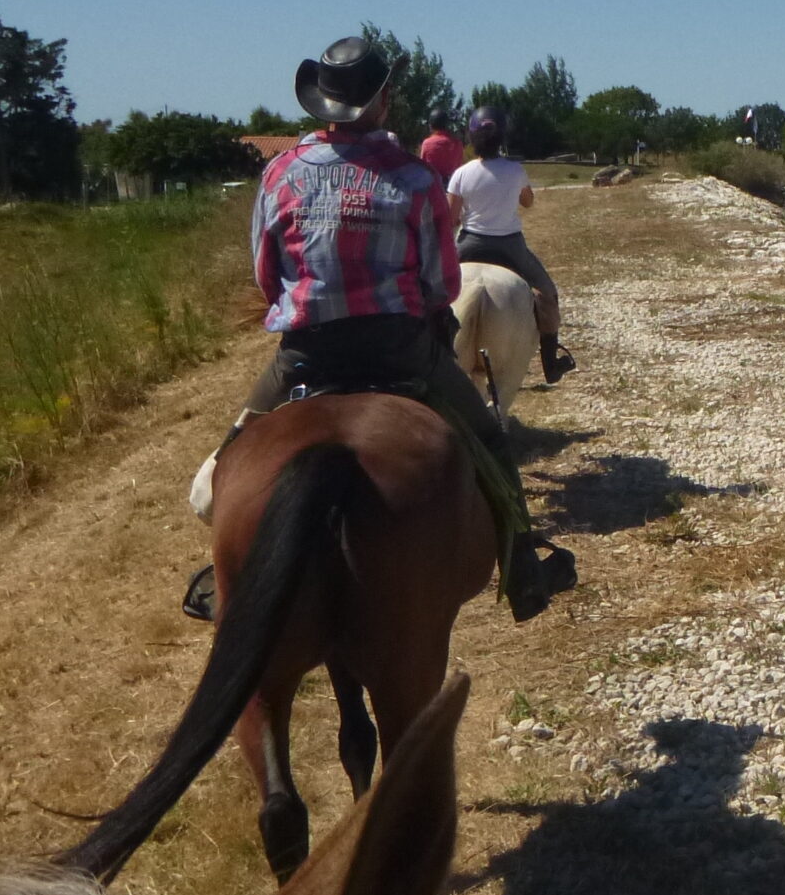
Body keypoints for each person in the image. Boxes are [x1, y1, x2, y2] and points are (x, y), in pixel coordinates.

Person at [184, 36, 560, 619]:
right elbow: (442, 283)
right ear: (383, 101)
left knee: (217, 480)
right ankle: (523, 568)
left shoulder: (280, 172)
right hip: (400, 351)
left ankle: (226, 573)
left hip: (306, 354)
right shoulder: (413, 178)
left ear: (322, 102)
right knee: (489, 439)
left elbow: (266, 274)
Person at [451, 105, 575, 385]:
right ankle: (551, 364)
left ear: (472, 138)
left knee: (428, 290)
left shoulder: (462, 173)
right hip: (510, 246)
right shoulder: (515, 170)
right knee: (548, 294)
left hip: (470, 243)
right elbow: (528, 202)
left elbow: (450, 216)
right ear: (502, 138)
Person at [417, 105, 465, 184]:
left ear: (431, 126)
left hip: (433, 186)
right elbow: (459, 167)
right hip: (452, 186)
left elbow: (423, 167)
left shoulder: (427, 143)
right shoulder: (457, 144)